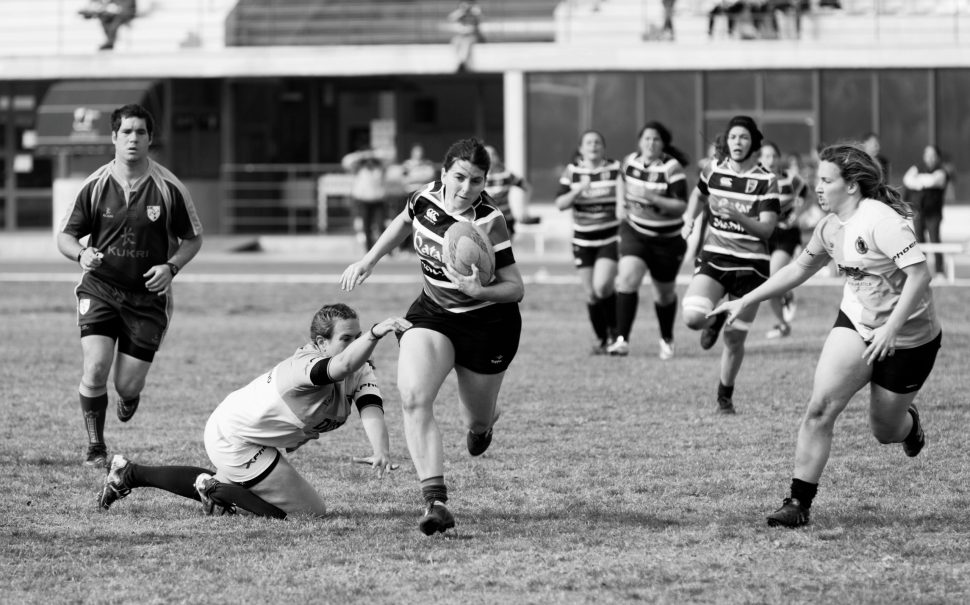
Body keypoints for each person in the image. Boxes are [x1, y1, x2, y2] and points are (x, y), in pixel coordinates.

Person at [710, 143, 941, 528]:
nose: (817, 187)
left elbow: (920, 275)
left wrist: (892, 328)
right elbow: (797, 270)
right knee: (819, 408)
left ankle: (909, 426)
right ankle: (798, 502)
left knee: (884, 430)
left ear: (851, 186)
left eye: (826, 180)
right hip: (857, 323)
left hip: (910, 336)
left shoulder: (881, 221)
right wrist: (745, 299)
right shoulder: (829, 226)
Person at [340, 138, 524, 536]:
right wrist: (370, 259)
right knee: (413, 396)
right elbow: (404, 221)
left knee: (476, 417)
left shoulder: (489, 221)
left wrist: (480, 292)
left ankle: (483, 425)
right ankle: (435, 502)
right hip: (434, 315)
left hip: (488, 326)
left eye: (476, 181)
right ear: (443, 175)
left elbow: (515, 287)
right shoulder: (424, 197)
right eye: (459, 177)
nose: (465, 188)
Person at [98, 304, 410, 519]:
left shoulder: (360, 365)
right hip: (233, 437)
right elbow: (339, 366)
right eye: (347, 338)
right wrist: (375, 332)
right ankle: (216, 490)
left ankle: (129, 473)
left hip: (249, 433)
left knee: (262, 495)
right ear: (320, 343)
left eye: (357, 338)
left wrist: (380, 450)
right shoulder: (304, 368)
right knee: (309, 512)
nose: (356, 344)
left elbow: (371, 406)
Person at [56, 103, 204, 467]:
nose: (133, 138)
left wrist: (171, 267)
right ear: (113, 138)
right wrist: (81, 256)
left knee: (126, 385)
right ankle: (96, 448)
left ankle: (129, 395)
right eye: (126, 132)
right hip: (100, 288)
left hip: (148, 299)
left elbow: (193, 239)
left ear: (150, 138)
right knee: (95, 367)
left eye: (140, 132)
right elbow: (66, 236)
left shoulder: (169, 188)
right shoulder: (95, 185)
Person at [680, 116, 779, 414]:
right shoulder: (714, 170)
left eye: (744, 138)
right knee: (692, 317)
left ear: (753, 143)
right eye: (733, 137)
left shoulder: (766, 180)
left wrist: (737, 216)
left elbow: (766, 231)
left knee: (734, 340)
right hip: (716, 256)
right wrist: (689, 218)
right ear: (727, 142)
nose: (738, 142)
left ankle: (724, 396)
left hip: (752, 267)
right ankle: (715, 318)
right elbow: (698, 196)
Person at [611, 122, 689, 360]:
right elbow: (620, 180)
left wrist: (653, 197)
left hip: (666, 240)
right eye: (646, 138)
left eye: (655, 139)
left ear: (663, 144)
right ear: (639, 141)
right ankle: (621, 339)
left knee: (663, 294)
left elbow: (680, 206)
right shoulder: (630, 161)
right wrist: (619, 204)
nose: (650, 143)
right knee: (626, 279)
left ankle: (666, 338)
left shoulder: (672, 168)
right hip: (635, 232)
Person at [554, 130, 622, 355]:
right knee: (591, 293)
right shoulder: (572, 171)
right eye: (588, 143)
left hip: (609, 237)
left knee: (603, 286)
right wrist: (578, 190)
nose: (593, 146)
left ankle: (615, 332)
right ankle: (602, 339)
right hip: (583, 240)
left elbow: (624, 197)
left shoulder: (614, 169)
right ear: (581, 148)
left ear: (604, 148)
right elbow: (560, 203)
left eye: (597, 142)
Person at [760, 141, 808, 339]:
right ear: (760, 159)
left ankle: (787, 292)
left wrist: (797, 213)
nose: (771, 160)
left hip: (786, 235)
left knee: (772, 278)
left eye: (774, 156)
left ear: (779, 158)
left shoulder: (790, 178)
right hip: (764, 234)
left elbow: (805, 193)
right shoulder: (755, 180)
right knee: (766, 285)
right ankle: (782, 324)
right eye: (766, 156)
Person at [903, 144, 949, 280]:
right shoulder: (917, 167)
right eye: (927, 154)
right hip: (918, 212)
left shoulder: (942, 171)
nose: (929, 158)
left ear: (938, 157)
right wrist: (919, 181)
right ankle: (922, 272)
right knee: (919, 242)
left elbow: (932, 181)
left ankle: (940, 272)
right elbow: (907, 180)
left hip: (933, 213)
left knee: (935, 241)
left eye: (932, 155)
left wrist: (918, 180)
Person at [342, 147, 389, 253]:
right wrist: (361, 155)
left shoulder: (380, 167)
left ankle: (384, 249)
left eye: (371, 159)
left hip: (378, 201)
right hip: (363, 202)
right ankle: (369, 250)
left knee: (381, 225)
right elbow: (346, 161)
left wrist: (373, 154)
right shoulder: (358, 168)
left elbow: (389, 157)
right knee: (367, 228)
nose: (369, 161)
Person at [484, 144, 535, 239]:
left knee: (504, 252)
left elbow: (527, 188)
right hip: (484, 221)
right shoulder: (478, 178)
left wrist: (523, 210)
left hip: (505, 219)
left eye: (492, 154)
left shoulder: (506, 175)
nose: (490, 157)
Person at [447, 1, 484, 72]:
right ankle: (460, 61)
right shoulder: (461, 14)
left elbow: (480, 18)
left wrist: (473, 11)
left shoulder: (474, 13)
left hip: (472, 36)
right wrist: (461, 11)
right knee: (455, 41)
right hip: (461, 36)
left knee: (466, 43)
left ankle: (463, 62)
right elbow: (450, 18)